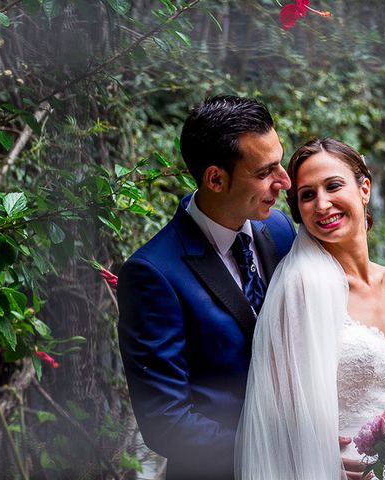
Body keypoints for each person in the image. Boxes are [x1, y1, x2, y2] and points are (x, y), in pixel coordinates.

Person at [117, 95, 296, 480]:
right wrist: (278, 453)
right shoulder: (153, 273)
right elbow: (168, 422)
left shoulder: (280, 230)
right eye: (266, 172)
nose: (285, 181)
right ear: (216, 178)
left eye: (280, 162)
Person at [235, 138, 385, 480]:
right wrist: (317, 458)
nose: (322, 204)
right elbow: (277, 410)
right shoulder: (303, 285)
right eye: (307, 195)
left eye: (333, 186)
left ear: (364, 189)